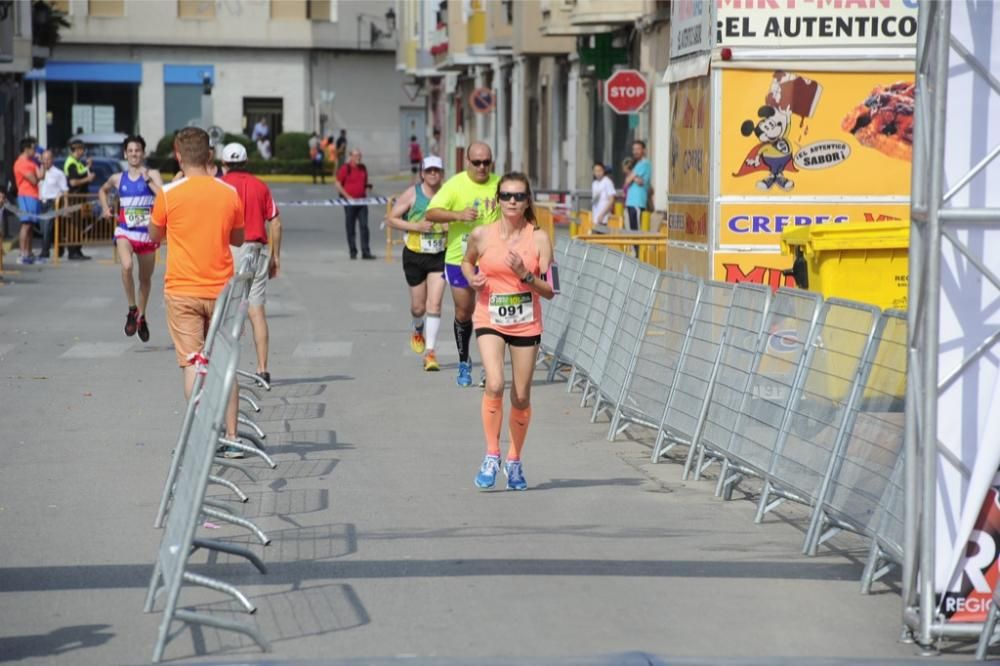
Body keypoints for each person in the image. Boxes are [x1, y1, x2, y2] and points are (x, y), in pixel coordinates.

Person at [148, 127, 246, 456]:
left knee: (192, 363)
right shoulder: (228, 193)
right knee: (225, 363)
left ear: (178, 156)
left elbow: (153, 235)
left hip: (181, 290)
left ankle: (204, 436)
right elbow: (237, 239)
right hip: (221, 290)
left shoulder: (168, 194)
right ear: (209, 156)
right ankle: (232, 437)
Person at [461, 172, 554, 490]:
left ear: (528, 200)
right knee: (496, 383)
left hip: (527, 322)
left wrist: (524, 275)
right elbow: (466, 261)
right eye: (506, 196)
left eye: (518, 196)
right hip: (489, 317)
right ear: (497, 200)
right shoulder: (482, 234)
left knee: (522, 394)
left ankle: (514, 460)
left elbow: (551, 290)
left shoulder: (539, 238)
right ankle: (491, 454)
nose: (512, 202)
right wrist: (471, 278)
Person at [425, 142, 501, 387]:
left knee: (492, 315)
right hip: (459, 259)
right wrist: (458, 215)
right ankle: (464, 360)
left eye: (486, 162)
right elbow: (431, 213)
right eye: (476, 162)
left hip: (492, 261)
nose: (481, 167)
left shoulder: (500, 185)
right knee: (464, 312)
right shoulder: (455, 185)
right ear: (467, 162)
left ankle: (490, 368)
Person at [221, 142, 283, 386]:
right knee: (256, 312)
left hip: (231, 251)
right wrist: (275, 256)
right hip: (258, 250)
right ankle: (262, 369)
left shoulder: (221, 186)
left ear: (224, 164)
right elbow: (275, 222)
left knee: (227, 311)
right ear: (246, 162)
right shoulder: (260, 186)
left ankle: (227, 369)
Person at [384, 155, 447, 371]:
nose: (432, 174)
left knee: (435, 304)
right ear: (422, 173)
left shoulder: (448, 194)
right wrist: (416, 227)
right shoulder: (413, 193)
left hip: (440, 254)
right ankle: (417, 327)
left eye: (436, 171)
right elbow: (391, 218)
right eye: (429, 171)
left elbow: (457, 218)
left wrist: (450, 226)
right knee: (418, 307)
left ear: (441, 173)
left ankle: (430, 353)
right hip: (415, 254)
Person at [99, 134, 163, 342]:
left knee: (145, 280)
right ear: (125, 154)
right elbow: (103, 190)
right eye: (131, 150)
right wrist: (105, 208)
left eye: (138, 150)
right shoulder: (118, 178)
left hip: (147, 234)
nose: (134, 154)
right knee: (126, 266)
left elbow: (164, 196)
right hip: (125, 230)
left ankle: (142, 316)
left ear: (143, 153)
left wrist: (148, 180)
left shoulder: (152, 173)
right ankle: (132, 309)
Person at [334, 148, 375, 260]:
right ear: (351, 156)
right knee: (350, 227)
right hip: (349, 203)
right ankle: (353, 251)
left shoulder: (363, 168)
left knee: (364, 226)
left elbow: (363, 183)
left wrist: (367, 187)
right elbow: (338, 184)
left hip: (362, 202)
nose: (358, 157)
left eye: (359, 155)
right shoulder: (345, 168)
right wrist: (348, 197)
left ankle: (366, 251)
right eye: (356, 155)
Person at [13, 137, 44, 264]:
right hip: (25, 195)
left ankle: (29, 253)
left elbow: (41, 176)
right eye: (33, 148)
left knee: (31, 226)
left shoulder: (32, 162)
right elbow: (34, 180)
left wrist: (41, 163)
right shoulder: (21, 163)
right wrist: (37, 174)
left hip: (34, 195)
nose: (35, 150)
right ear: (26, 149)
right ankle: (22, 253)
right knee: (26, 225)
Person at [63, 139, 95, 260]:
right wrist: (88, 179)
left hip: (81, 199)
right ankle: (72, 251)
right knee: (74, 225)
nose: (83, 151)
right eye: (82, 149)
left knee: (80, 225)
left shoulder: (78, 162)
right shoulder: (71, 163)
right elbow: (73, 182)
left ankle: (78, 249)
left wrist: (89, 167)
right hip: (74, 199)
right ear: (77, 149)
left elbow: (82, 173)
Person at [38, 150, 69, 261]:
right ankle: (59, 248)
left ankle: (44, 252)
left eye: (48, 159)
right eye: (44, 159)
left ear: (52, 159)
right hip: (42, 203)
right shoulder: (40, 172)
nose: (46, 161)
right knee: (43, 229)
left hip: (53, 203)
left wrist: (65, 206)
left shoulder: (58, 173)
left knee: (47, 228)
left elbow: (65, 190)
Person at [623, 140, 651, 233]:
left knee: (637, 230)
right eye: (634, 149)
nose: (635, 151)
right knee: (632, 229)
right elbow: (628, 181)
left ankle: (638, 248)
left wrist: (631, 175)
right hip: (631, 201)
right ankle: (636, 247)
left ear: (644, 150)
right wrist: (634, 176)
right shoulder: (636, 164)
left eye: (638, 149)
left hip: (638, 202)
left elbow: (631, 180)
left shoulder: (645, 163)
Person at [591, 162, 616, 232]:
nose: (598, 173)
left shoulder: (607, 182)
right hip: (596, 217)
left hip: (604, 218)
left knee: (602, 239)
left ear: (603, 171)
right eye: (596, 171)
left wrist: (602, 214)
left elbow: (611, 199)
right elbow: (595, 200)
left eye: (600, 170)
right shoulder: (594, 183)